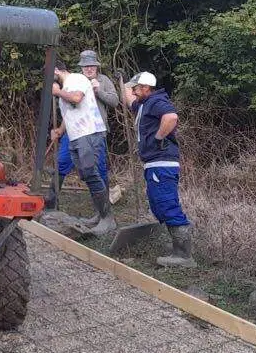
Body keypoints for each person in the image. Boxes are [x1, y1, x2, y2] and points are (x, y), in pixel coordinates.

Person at [122, 71, 195, 268]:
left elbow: (171, 117)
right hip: (154, 163)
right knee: (158, 204)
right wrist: (123, 82)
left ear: (146, 88)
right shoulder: (143, 103)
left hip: (161, 163)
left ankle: (183, 255)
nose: (134, 92)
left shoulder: (156, 101)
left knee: (166, 203)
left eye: (137, 88)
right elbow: (129, 101)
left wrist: (158, 138)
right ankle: (179, 249)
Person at [51, 60, 116, 235]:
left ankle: (107, 219)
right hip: (75, 135)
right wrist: (60, 130)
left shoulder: (76, 79)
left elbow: (76, 98)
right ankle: (100, 216)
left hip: (89, 133)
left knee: (91, 173)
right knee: (87, 175)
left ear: (56, 70)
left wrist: (58, 92)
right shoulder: (67, 85)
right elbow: (71, 112)